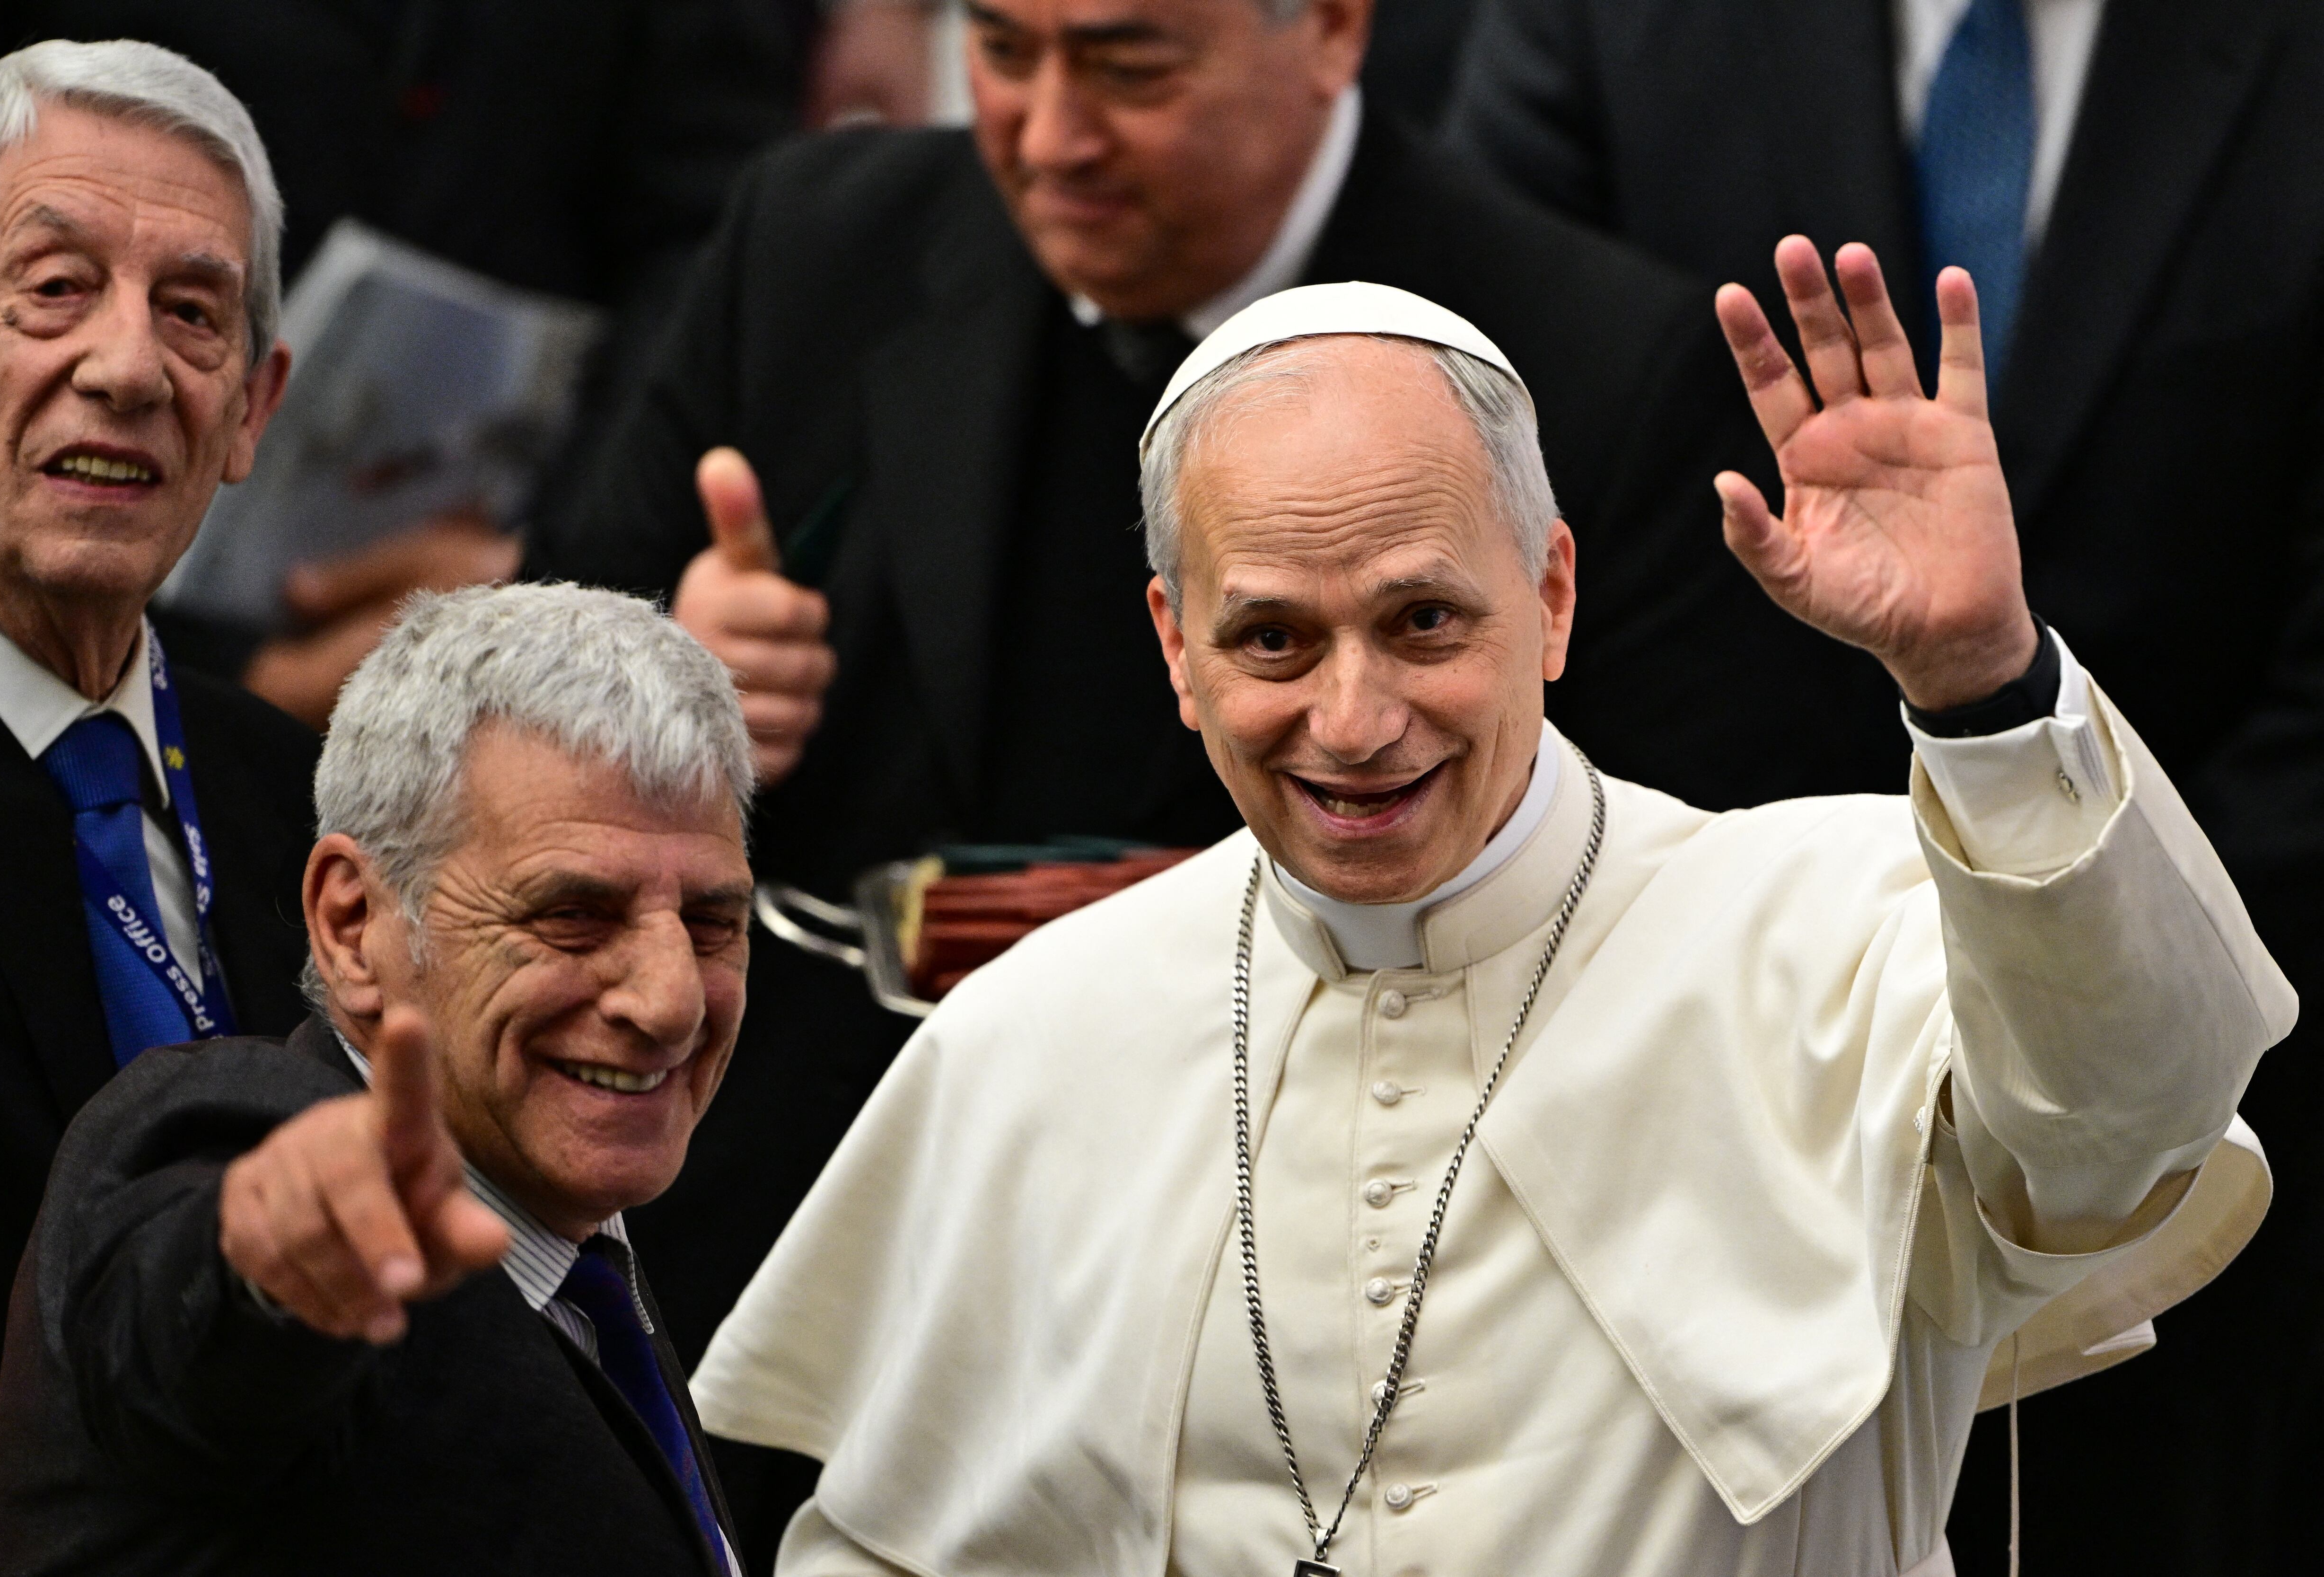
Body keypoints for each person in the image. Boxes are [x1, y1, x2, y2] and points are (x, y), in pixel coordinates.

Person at [686, 258, 2292, 1575]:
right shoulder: (1034, 1036)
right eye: (1273, 643)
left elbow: (2133, 1113)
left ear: (1555, 597)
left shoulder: (1844, 929)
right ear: (1176, 647)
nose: (1356, 717)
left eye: (1424, 617)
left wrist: (1985, 685)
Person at [526, 0, 1836, 1500]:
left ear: (1333, 31)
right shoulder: (819, 244)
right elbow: (544, 678)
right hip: (837, 1213)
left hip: (1363, 1298)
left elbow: (1683, 902)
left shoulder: (1589, 359)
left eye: (1132, 67)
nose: (1053, 133)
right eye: (1006, 54)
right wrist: (682, 676)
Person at [1445, 3, 2324, 1568]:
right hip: (1668, 1105)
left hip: (2230, 1130)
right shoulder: (1600, 31)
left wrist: (2103, 975)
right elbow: (1492, 515)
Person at [0, 583, 759, 1577]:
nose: (672, 998)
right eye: (573, 915)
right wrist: (265, 1269)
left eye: (709, 922)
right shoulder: (241, 1129)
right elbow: (173, 1325)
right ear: (353, 926)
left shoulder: (581, 1247)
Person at [0, 0, 813, 724]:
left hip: (521, 594)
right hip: (83, 619)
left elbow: (706, 231)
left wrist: (551, 578)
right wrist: (223, 671)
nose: (129, 364)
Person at [0, 40, 316, 1537]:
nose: (124, 367)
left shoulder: (316, 806)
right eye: (53, 288)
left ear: (250, 407)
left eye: (193, 312)